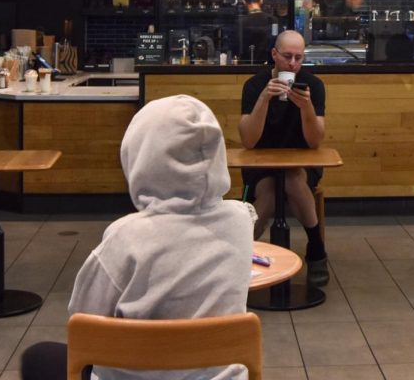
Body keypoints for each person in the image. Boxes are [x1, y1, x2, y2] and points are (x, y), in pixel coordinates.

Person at [20, 95, 253, 380]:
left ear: (141, 156)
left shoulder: (125, 237)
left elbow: (83, 322)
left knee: (39, 357)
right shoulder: (241, 220)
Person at [239, 30, 328, 285]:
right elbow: (248, 140)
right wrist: (265, 99)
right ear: (274, 54)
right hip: (260, 163)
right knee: (268, 188)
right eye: (287, 56)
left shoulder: (313, 85)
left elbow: (314, 141)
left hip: (302, 162)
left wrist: (306, 108)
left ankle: (315, 249)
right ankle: (247, 253)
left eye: (299, 58)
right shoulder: (255, 85)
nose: (293, 64)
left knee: (291, 178)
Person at [237, 0, 273, 64]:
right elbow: (275, 41)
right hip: (268, 65)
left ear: (243, 2)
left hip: (244, 65)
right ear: (261, 0)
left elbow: (235, 47)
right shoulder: (273, 20)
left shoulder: (241, 22)